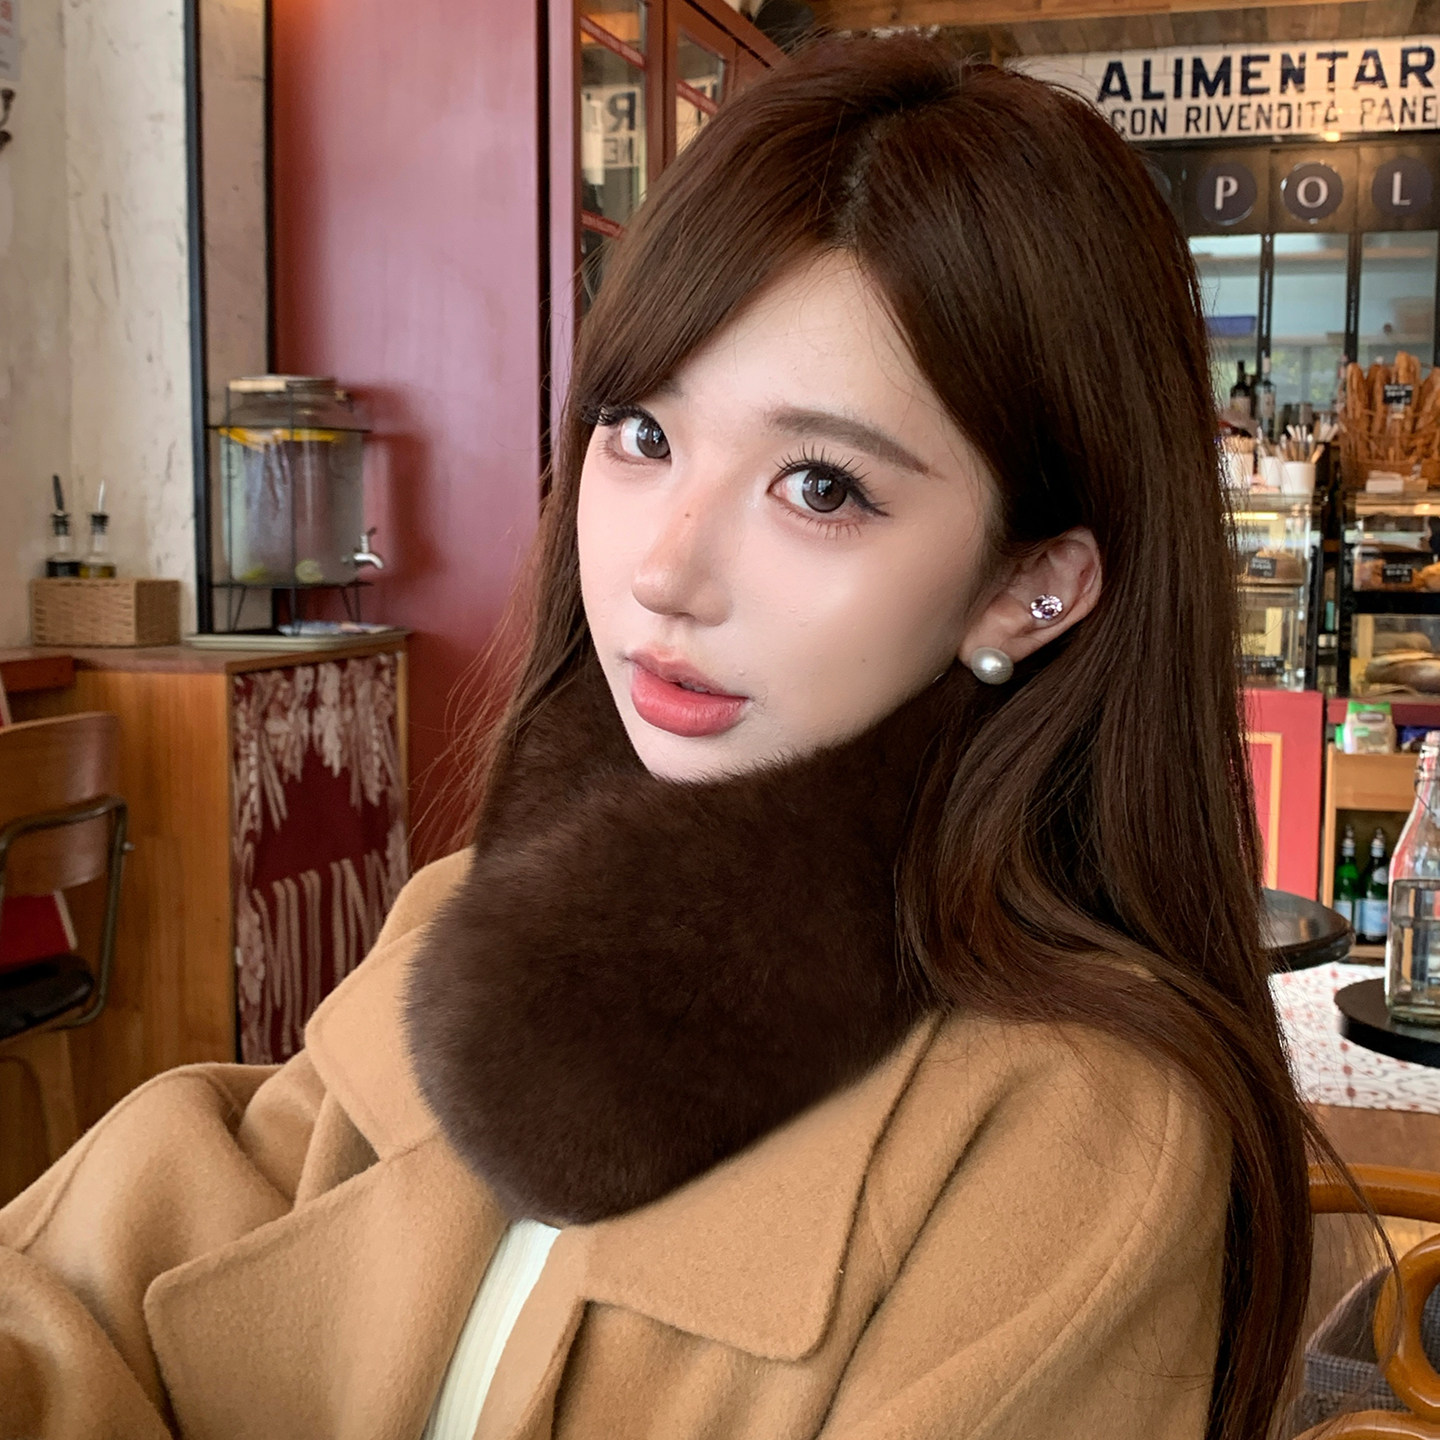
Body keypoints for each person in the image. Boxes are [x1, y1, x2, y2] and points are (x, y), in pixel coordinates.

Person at [2, 33, 1320, 1440]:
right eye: (641, 433)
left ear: (1029, 585)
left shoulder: (1073, 1137)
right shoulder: (480, 922)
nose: (662, 572)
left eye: (821, 486)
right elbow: (93, 1284)